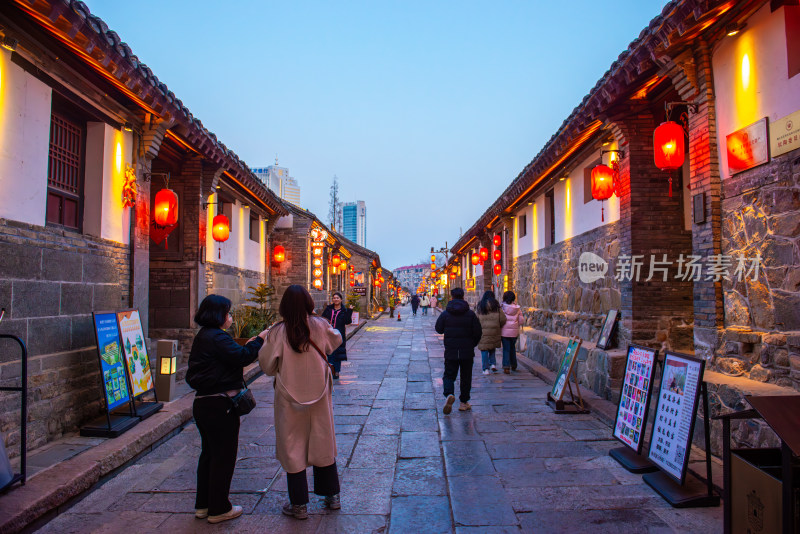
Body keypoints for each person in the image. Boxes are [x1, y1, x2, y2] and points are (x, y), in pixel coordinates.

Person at [259, 285, 345, 520]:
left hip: (289, 397)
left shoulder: (277, 332)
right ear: (309, 303)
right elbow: (335, 340)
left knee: (292, 446)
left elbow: (266, 366)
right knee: (323, 442)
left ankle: (298, 505)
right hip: (318, 395)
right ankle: (332, 496)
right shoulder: (319, 325)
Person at [186, 294, 268, 524]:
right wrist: (260, 339)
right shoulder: (217, 337)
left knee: (209, 455)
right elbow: (242, 357)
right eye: (228, 313)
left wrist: (250, 343)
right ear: (219, 315)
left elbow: (230, 356)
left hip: (204, 404)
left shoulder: (205, 336)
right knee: (223, 457)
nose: (230, 317)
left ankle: (203, 505)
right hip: (219, 406)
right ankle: (219, 508)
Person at [434, 287, 482, 413]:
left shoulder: (446, 314)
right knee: (466, 376)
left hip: (451, 350)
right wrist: (472, 344)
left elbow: (438, 329)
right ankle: (464, 402)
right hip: (467, 351)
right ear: (463, 297)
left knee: (449, 374)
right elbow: (478, 332)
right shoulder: (470, 314)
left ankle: (449, 394)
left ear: (452, 297)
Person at [320, 291, 353, 379]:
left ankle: (337, 371)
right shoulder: (328, 309)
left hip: (339, 335)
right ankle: (330, 370)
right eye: (334, 298)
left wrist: (349, 311)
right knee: (329, 352)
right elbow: (322, 319)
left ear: (341, 299)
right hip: (328, 335)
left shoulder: (344, 310)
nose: (336, 299)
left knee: (338, 354)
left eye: (337, 298)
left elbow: (347, 321)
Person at [476, 290, 506, 375]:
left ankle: (485, 369)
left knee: (484, 349)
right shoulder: (496, 306)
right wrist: (498, 325)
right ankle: (493, 364)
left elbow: (476, 318)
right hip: (495, 330)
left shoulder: (480, 306)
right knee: (492, 347)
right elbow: (503, 319)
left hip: (483, 331)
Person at [500, 291, 521, 374]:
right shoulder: (517, 308)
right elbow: (521, 320)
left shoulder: (502, 307)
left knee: (506, 349)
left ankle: (506, 367)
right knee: (512, 348)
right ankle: (514, 365)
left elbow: (500, 319)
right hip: (514, 332)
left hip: (504, 332)